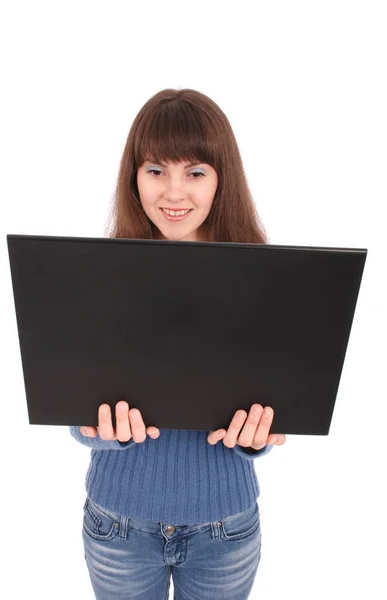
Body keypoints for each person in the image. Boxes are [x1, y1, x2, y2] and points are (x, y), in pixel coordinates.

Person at [70, 88, 286, 600]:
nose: (173, 193)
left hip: (225, 528)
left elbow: (276, 404)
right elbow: (75, 411)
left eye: (195, 172)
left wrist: (258, 436)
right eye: (155, 170)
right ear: (134, 176)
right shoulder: (97, 275)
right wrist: (96, 429)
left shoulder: (265, 278)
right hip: (118, 525)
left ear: (220, 179)